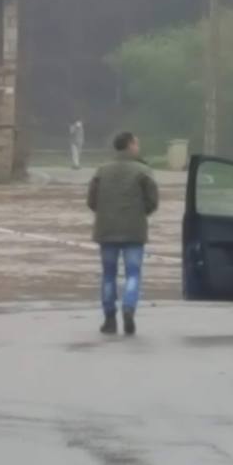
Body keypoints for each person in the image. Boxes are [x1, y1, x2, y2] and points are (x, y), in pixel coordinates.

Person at [87, 131, 159, 335]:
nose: (139, 147)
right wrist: (139, 213)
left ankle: (109, 318)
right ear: (130, 145)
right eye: (137, 143)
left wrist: (105, 214)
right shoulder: (143, 171)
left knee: (108, 275)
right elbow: (153, 201)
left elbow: (91, 201)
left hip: (106, 230)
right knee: (133, 274)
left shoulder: (101, 171)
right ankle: (129, 308)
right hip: (134, 231)